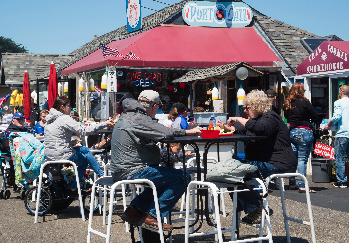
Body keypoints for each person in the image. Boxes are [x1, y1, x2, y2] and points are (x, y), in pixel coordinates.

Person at [110, 90, 201, 231]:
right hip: (132, 170)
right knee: (183, 177)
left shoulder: (130, 114)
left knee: (165, 179)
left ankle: (134, 210)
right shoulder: (138, 117)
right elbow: (166, 132)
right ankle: (152, 215)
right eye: (159, 105)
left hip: (122, 169)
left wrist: (184, 131)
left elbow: (162, 130)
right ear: (154, 105)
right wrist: (186, 131)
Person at [217, 90, 296, 224]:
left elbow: (260, 128)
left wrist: (238, 119)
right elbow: (242, 129)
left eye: (247, 107)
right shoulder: (258, 120)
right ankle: (255, 208)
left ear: (257, 105)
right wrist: (224, 127)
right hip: (264, 161)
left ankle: (257, 208)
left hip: (278, 162)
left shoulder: (271, 117)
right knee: (229, 173)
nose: (246, 111)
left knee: (236, 172)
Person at [44, 96, 114, 197]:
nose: (70, 108)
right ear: (62, 107)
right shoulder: (64, 118)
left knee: (85, 149)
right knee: (85, 161)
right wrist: (104, 124)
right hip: (61, 154)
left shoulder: (49, 119)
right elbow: (83, 131)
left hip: (50, 154)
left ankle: (99, 174)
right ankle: (76, 186)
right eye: (68, 106)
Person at [284, 83, 318, 193]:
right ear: (300, 90)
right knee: (302, 160)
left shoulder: (288, 102)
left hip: (292, 132)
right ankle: (302, 185)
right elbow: (315, 116)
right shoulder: (305, 102)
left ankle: (292, 183)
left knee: (293, 159)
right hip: (304, 132)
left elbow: (286, 116)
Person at [324, 85, 349, 188]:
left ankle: (341, 181)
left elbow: (337, 116)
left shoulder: (338, 102)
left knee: (340, 158)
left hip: (342, 134)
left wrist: (328, 125)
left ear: (340, 92)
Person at [0, 113, 31, 186]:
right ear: (13, 121)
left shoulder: (27, 131)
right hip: (13, 157)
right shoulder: (7, 132)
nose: (21, 121)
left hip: (27, 155)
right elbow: (8, 147)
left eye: (22, 119)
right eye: (18, 119)